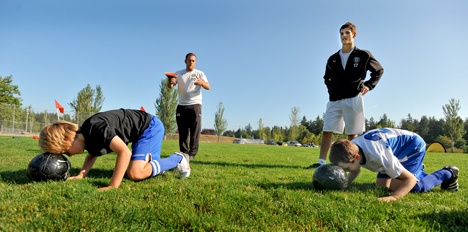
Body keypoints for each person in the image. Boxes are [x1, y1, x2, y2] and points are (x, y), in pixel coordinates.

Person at [38, 109, 191, 191]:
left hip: (149, 127)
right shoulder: (87, 137)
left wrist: (113, 185)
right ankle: (156, 165)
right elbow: (92, 154)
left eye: (65, 151)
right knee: (145, 169)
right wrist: (81, 175)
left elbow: (124, 152)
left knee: (135, 173)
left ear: (68, 139)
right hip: (139, 133)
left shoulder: (95, 127)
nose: (68, 155)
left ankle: (178, 158)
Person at [308, 22, 384, 169]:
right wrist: (332, 90)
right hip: (334, 100)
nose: (344, 36)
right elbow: (326, 78)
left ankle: (350, 164)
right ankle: (321, 163)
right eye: (342, 33)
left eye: (347, 33)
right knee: (327, 130)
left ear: (353, 35)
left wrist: (369, 85)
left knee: (352, 134)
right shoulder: (333, 59)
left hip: (354, 98)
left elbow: (379, 70)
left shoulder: (363, 55)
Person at [329, 128, 459, 202]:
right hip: (393, 150)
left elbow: (410, 180)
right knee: (382, 185)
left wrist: (393, 197)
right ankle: (415, 168)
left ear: (356, 157)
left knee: (411, 186)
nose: (345, 171)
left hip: (412, 146)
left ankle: (448, 172)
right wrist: (343, 185)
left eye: (345, 168)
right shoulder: (353, 148)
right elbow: (355, 170)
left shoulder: (378, 155)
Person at [167, 53, 210, 160]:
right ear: (185, 61)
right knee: (183, 131)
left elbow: (208, 86)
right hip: (181, 106)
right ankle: (184, 153)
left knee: (195, 131)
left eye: (193, 61)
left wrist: (201, 82)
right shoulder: (178, 73)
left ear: (195, 62)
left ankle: (192, 154)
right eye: (189, 60)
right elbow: (171, 86)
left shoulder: (200, 73)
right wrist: (170, 81)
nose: (191, 62)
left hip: (195, 105)